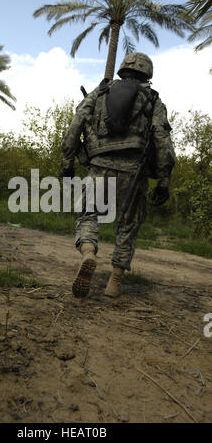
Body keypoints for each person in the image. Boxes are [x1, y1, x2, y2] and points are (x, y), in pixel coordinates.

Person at [60, 52, 175, 299]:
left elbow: (76, 124)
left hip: (99, 167)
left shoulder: (100, 93)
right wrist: (164, 178)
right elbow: (162, 139)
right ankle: (115, 281)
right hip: (134, 172)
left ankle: (89, 253)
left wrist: (67, 162)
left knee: (89, 215)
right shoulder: (153, 100)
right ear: (148, 74)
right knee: (128, 226)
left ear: (123, 70)